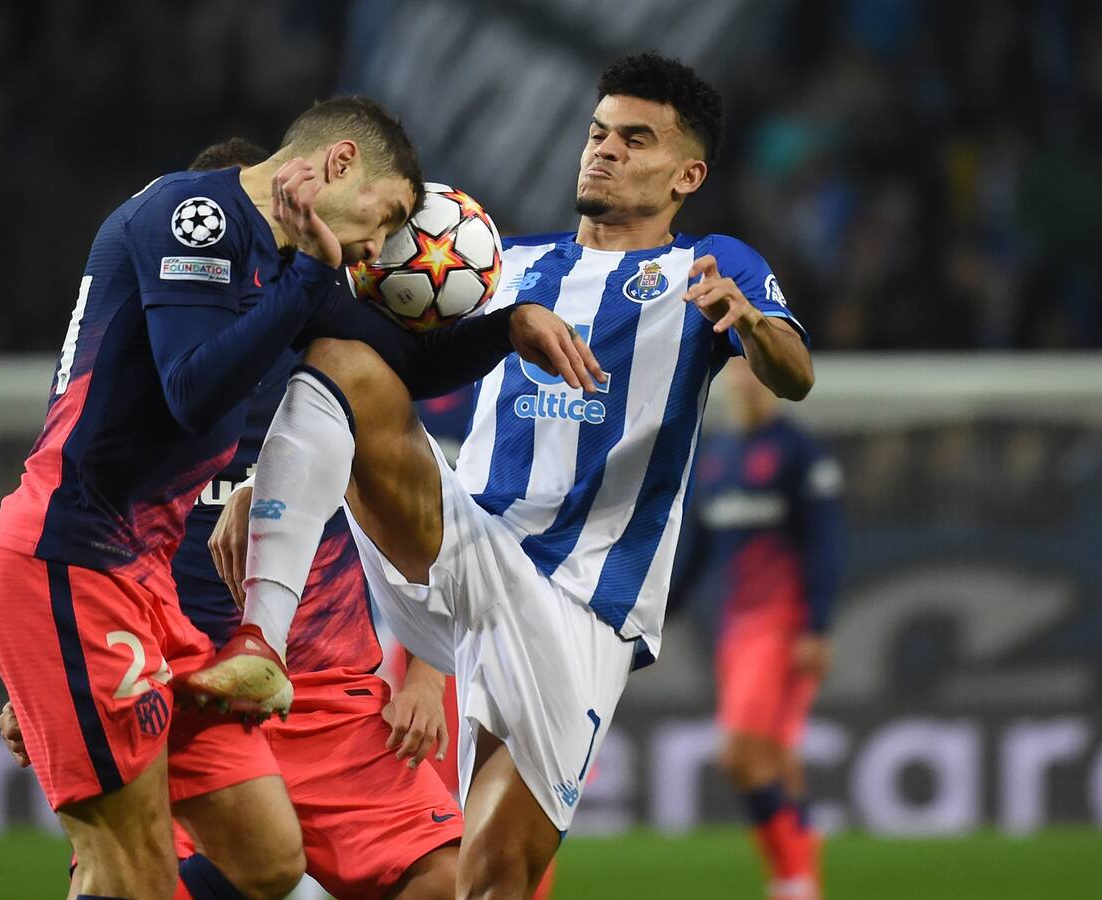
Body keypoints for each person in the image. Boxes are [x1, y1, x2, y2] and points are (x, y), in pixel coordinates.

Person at [185, 52, 814, 898]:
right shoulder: (492, 264)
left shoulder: (710, 267)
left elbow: (795, 373)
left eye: (636, 140)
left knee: (490, 877)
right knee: (342, 356)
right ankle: (264, 638)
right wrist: (269, 473)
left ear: (687, 173)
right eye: (599, 134)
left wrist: (751, 328)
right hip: (469, 543)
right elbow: (383, 379)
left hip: (582, 602)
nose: (606, 152)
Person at [0, 94, 594, 900]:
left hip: (150, 591)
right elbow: (193, 393)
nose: (386, 244)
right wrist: (306, 280)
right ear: (340, 165)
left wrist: (508, 329)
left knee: (270, 860)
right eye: (392, 212)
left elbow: (397, 361)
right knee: (137, 874)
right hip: (74, 559)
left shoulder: (284, 266)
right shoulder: (193, 213)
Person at [674, 357, 843, 900]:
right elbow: (696, 552)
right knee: (775, 758)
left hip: (784, 625)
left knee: (740, 755)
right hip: (735, 627)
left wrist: (817, 626)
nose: (747, 381)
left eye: (756, 372)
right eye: (739, 371)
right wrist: (655, 613)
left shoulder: (799, 452)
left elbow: (825, 545)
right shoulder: (717, 456)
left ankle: (793, 878)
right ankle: (798, 878)